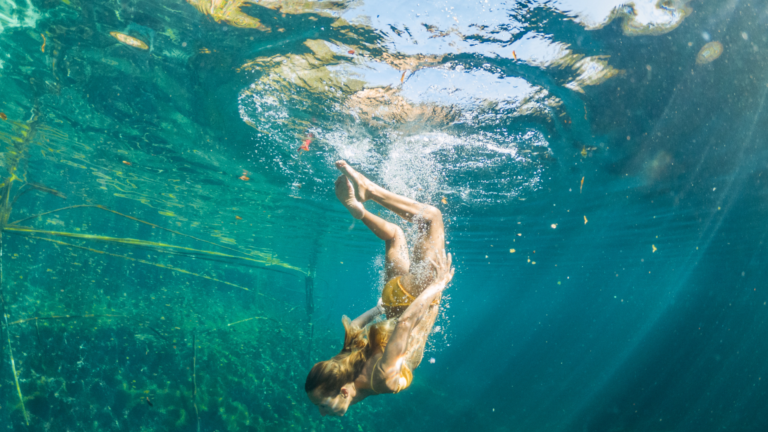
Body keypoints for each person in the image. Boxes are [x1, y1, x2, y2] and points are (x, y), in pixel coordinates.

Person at [305, 160, 454, 417]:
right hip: (393, 297)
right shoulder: (347, 365)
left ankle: (369, 190)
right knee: (395, 235)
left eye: (323, 405)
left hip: (417, 298)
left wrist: (437, 285)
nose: (321, 413)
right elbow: (354, 326)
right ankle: (360, 212)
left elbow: (406, 323)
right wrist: (378, 309)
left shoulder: (383, 381)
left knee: (431, 218)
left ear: (343, 392)